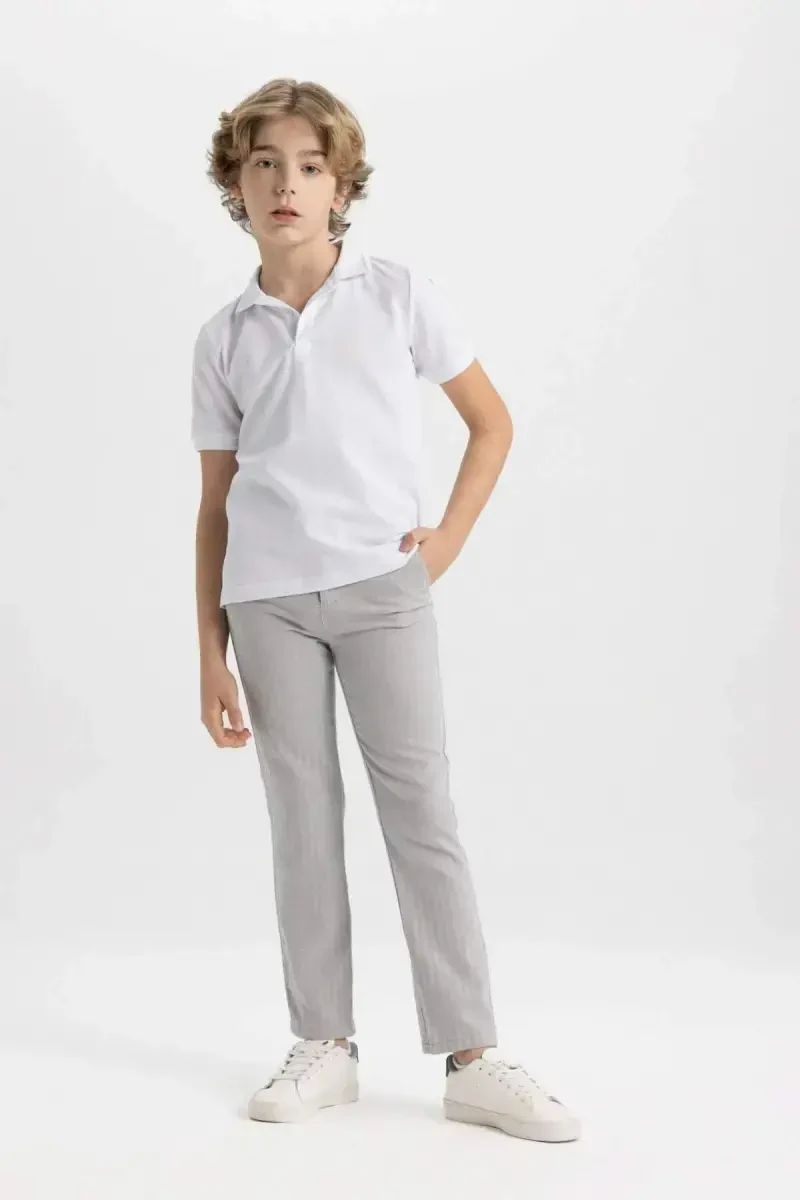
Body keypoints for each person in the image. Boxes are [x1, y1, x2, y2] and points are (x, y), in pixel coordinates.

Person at [191, 76, 580, 1144]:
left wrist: (441, 544)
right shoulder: (224, 336)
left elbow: (490, 424)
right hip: (266, 602)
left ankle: (472, 1055)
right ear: (236, 183)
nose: (287, 183)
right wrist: (209, 650)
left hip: (381, 589)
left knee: (421, 814)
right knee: (301, 820)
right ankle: (324, 1043)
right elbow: (216, 502)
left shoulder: (397, 294)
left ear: (341, 186)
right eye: (265, 163)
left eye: (310, 166)